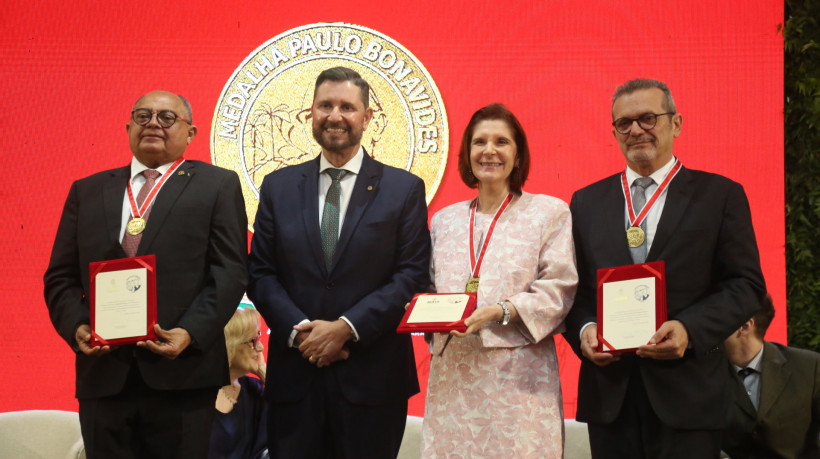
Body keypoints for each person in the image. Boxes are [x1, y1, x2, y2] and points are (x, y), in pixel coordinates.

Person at [564, 79, 766, 458]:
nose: (636, 130)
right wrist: (585, 330)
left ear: (676, 123)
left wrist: (690, 328)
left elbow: (746, 284)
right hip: (611, 396)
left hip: (689, 394)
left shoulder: (720, 195)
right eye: (624, 123)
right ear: (614, 132)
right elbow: (571, 290)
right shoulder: (585, 202)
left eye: (648, 118)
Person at [44, 90, 248, 458]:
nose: (153, 123)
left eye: (167, 117)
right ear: (128, 128)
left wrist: (190, 332)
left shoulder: (216, 185)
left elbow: (230, 271)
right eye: (143, 116)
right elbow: (60, 277)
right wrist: (77, 326)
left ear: (191, 133)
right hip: (104, 376)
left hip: (183, 375)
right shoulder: (87, 191)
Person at [247, 66, 431, 458]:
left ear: (367, 117)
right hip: (295, 378)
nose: (335, 116)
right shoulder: (278, 187)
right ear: (310, 113)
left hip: (373, 382)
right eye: (325, 105)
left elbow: (412, 274)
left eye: (347, 107)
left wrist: (346, 328)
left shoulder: (403, 189)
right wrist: (302, 334)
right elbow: (260, 272)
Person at [420, 103, 578, 458]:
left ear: (518, 155)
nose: (489, 151)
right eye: (479, 142)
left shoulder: (548, 213)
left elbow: (559, 287)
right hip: (453, 378)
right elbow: (429, 285)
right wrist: (419, 309)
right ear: (467, 153)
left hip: (518, 379)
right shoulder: (444, 220)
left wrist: (499, 311)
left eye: (501, 142)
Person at [722, 294, 820, 458]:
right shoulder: (703, 374)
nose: (706, 328)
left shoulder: (810, 366)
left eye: (716, 320)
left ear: (744, 326)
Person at [209, 304, 269, 459]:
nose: (260, 348)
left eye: (259, 337)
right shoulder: (198, 393)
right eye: (253, 340)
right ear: (230, 344)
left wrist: (265, 375)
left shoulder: (254, 389)